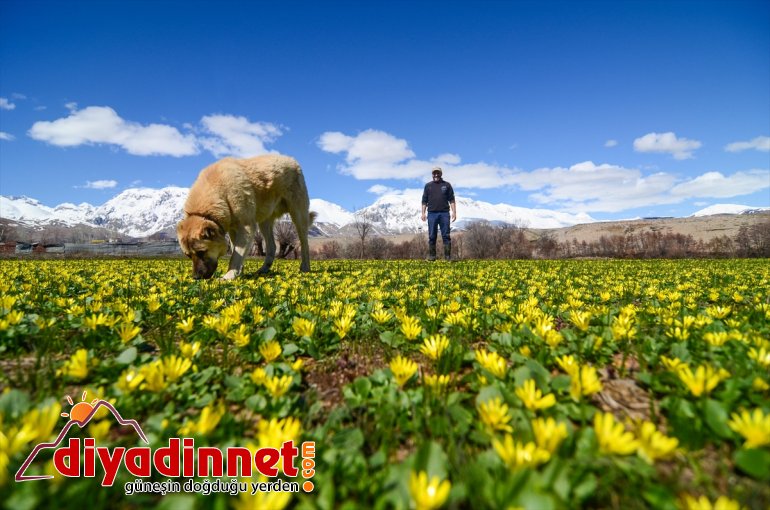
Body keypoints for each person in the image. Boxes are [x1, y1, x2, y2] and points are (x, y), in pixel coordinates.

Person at [421, 167, 456, 261]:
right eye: (434, 173)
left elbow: (452, 199)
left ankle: (447, 257)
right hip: (432, 213)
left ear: (441, 174)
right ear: (432, 174)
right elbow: (424, 201)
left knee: (446, 235)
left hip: (444, 213)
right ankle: (432, 257)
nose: (436, 175)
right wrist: (423, 213)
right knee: (432, 235)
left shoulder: (447, 185)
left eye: (438, 173)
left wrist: (454, 212)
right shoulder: (428, 186)